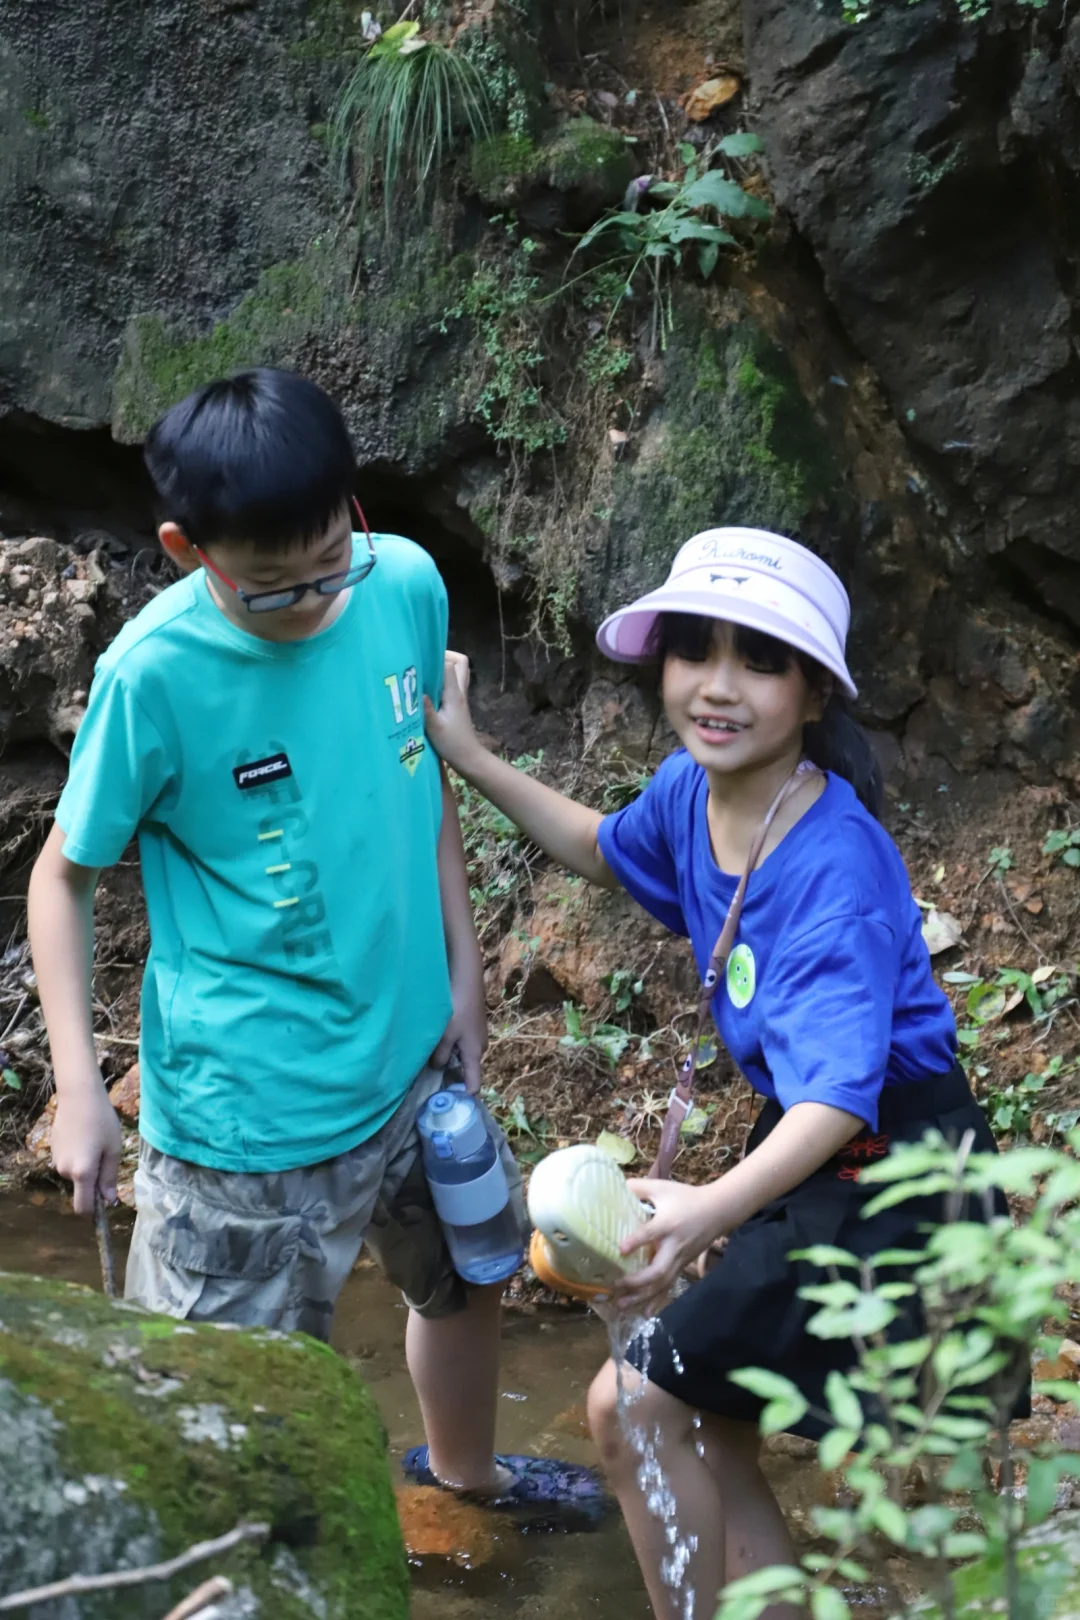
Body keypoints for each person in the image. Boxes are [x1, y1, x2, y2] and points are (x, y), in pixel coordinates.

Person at [27, 367, 602, 1520]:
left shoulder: (404, 588)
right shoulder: (154, 678)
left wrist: (464, 970)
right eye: (269, 588)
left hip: (409, 1068)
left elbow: (419, 778)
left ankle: (464, 1480)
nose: (307, 600)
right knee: (214, 1408)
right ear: (190, 549)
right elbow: (62, 876)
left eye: (328, 563)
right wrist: (80, 1089)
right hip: (246, 1130)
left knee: (469, 1281)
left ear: (356, 509)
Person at [424, 527, 1019, 1617]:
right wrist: (471, 759)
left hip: (885, 1177)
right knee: (706, 1422)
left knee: (630, 1406)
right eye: (696, 651)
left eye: (760, 660)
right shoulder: (694, 797)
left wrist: (702, 1214)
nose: (718, 686)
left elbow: (841, 1096)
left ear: (815, 692)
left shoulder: (832, 864)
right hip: (814, 1155)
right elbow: (606, 849)